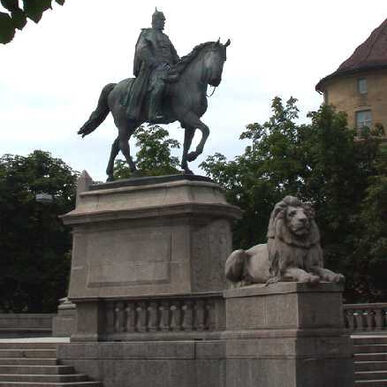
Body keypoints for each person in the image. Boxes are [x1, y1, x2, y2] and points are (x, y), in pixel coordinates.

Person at [126, 9, 180, 122]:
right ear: (155, 21)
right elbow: (142, 49)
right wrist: (155, 63)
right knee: (159, 85)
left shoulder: (166, 38)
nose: (164, 22)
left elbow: (174, 55)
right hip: (153, 69)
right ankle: (153, 114)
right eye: (162, 20)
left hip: (169, 69)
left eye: (164, 20)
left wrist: (181, 65)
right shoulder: (146, 33)